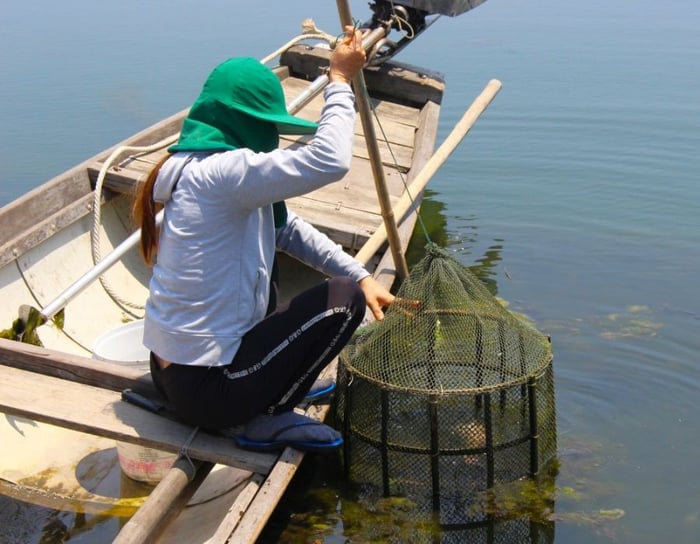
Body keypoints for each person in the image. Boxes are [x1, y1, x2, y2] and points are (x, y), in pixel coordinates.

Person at [132, 27, 394, 452]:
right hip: (209, 394)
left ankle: (265, 384)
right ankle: (268, 415)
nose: (272, 139)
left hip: (171, 376)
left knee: (320, 279)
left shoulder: (189, 168)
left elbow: (286, 229)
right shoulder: (222, 173)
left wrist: (362, 273)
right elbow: (329, 159)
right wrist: (340, 81)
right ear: (243, 124)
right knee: (343, 302)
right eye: (266, 127)